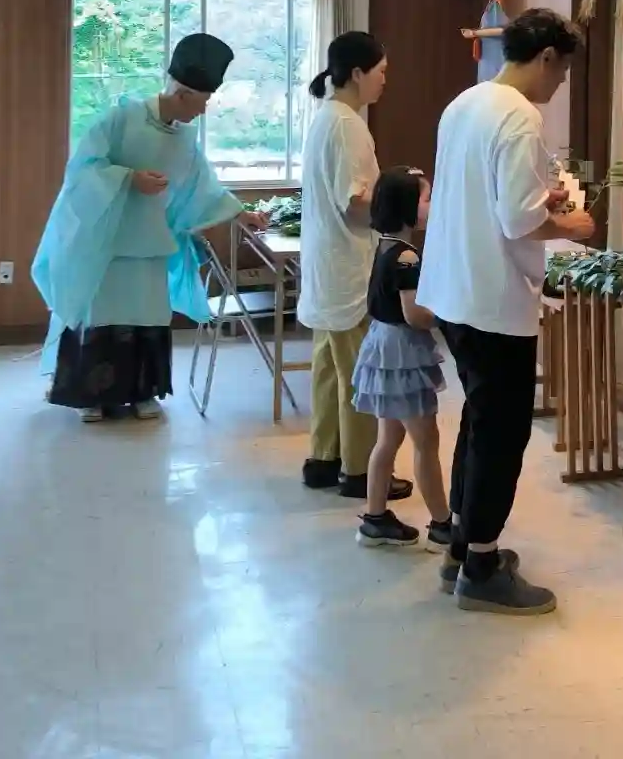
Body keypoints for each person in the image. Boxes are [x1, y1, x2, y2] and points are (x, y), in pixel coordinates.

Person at [417, 8, 595, 615]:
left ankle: (462, 546)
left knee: (479, 419)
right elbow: (520, 219)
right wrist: (573, 223)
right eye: (562, 71)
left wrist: (540, 200)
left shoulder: (465, 103)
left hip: (453, 291)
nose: (561, 83)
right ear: (546, 57)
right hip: (492, 298)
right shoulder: (520, 116)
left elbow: (488, 196)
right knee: (501, 433)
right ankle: (482, 568)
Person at [33, 33, 265, 422]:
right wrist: (129, 178)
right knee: (102, 314)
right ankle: (91, 396)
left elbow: (203, 186)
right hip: (108, 244)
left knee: (148, 316)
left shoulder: (185, 139)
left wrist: (242, 214)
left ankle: (143, 391)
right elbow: (82, 170)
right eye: (203, 100)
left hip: (151, 243)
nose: (204, 110)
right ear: (182, 93)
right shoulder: (120, 119)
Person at [299, 32, 412, 501]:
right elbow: (355, 204)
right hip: (347, 265)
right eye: (381, 72)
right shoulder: (347, 125)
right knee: (359, 372)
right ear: (358, 73)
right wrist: (403, 209)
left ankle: (323, 458)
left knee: (329, 369)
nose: (385, 81)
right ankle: (361, 470)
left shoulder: (325, 118)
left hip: (326, 264)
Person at [352, 167, 451, 550]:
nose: (432, 205)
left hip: (382, 343)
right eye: (427, 198)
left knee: (388, 439)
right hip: (401, 351)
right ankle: (442, 524)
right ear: (407, 206)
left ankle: (375, 518)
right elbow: (415, 315)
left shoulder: (386, 246)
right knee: (426, 441)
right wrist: (447, 314)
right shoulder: (408, 257)